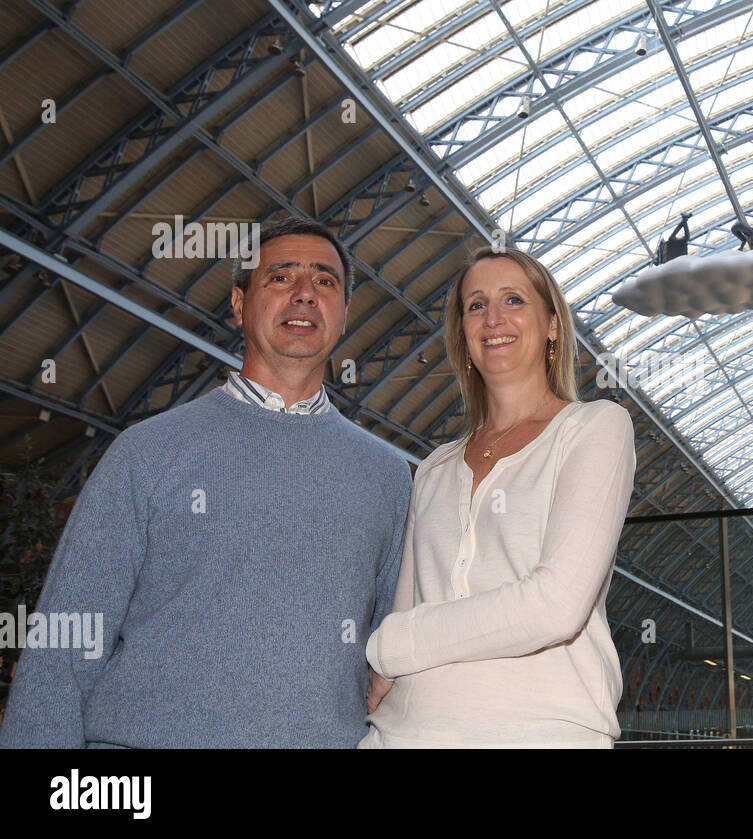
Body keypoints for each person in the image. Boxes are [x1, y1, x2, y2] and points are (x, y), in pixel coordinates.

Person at [0, 217, 412, 748]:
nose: (306, 293)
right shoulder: (147, 452)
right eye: (281, 277)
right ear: (240, 305)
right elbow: (64, 646)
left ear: (345, 314)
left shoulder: (385, 475)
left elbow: (392, 651)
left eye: (325, 281)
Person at [361, 245, 636, 748]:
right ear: (463, 334)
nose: (493, 318)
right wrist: (393, 649)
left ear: (553, 324)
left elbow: (556, 605)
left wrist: (392, 647)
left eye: (514, 300)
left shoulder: (594, 428)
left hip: (543, 732)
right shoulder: (434, 468)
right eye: (476, 305)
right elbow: (407, 608)